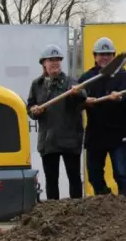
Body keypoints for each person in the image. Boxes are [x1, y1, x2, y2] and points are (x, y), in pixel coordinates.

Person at [27, 44, 86, 200]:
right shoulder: (37, 85)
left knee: (74, 178)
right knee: (51, 180)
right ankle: (54, 213)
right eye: (51, 60)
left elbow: (83, 97)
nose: (55, 63)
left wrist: (76, 93)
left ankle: (76, 211)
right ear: (43, 63)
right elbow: (30, 107)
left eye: (58, 60)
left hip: (70, 139)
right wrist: (34, 110)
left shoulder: (70, 82)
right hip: (48, 141)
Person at [79, 37, 126, 197]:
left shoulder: (123, 77)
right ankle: (104, 201)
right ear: (95, 56)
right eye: (101, 54)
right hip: (95, 135)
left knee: (121, 173)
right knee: (94, 174)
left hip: (118, 135)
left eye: (109, 54)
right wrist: (83, 102)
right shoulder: (87, 78)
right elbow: (75, 102)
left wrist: (120, 98)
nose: (105, 58)